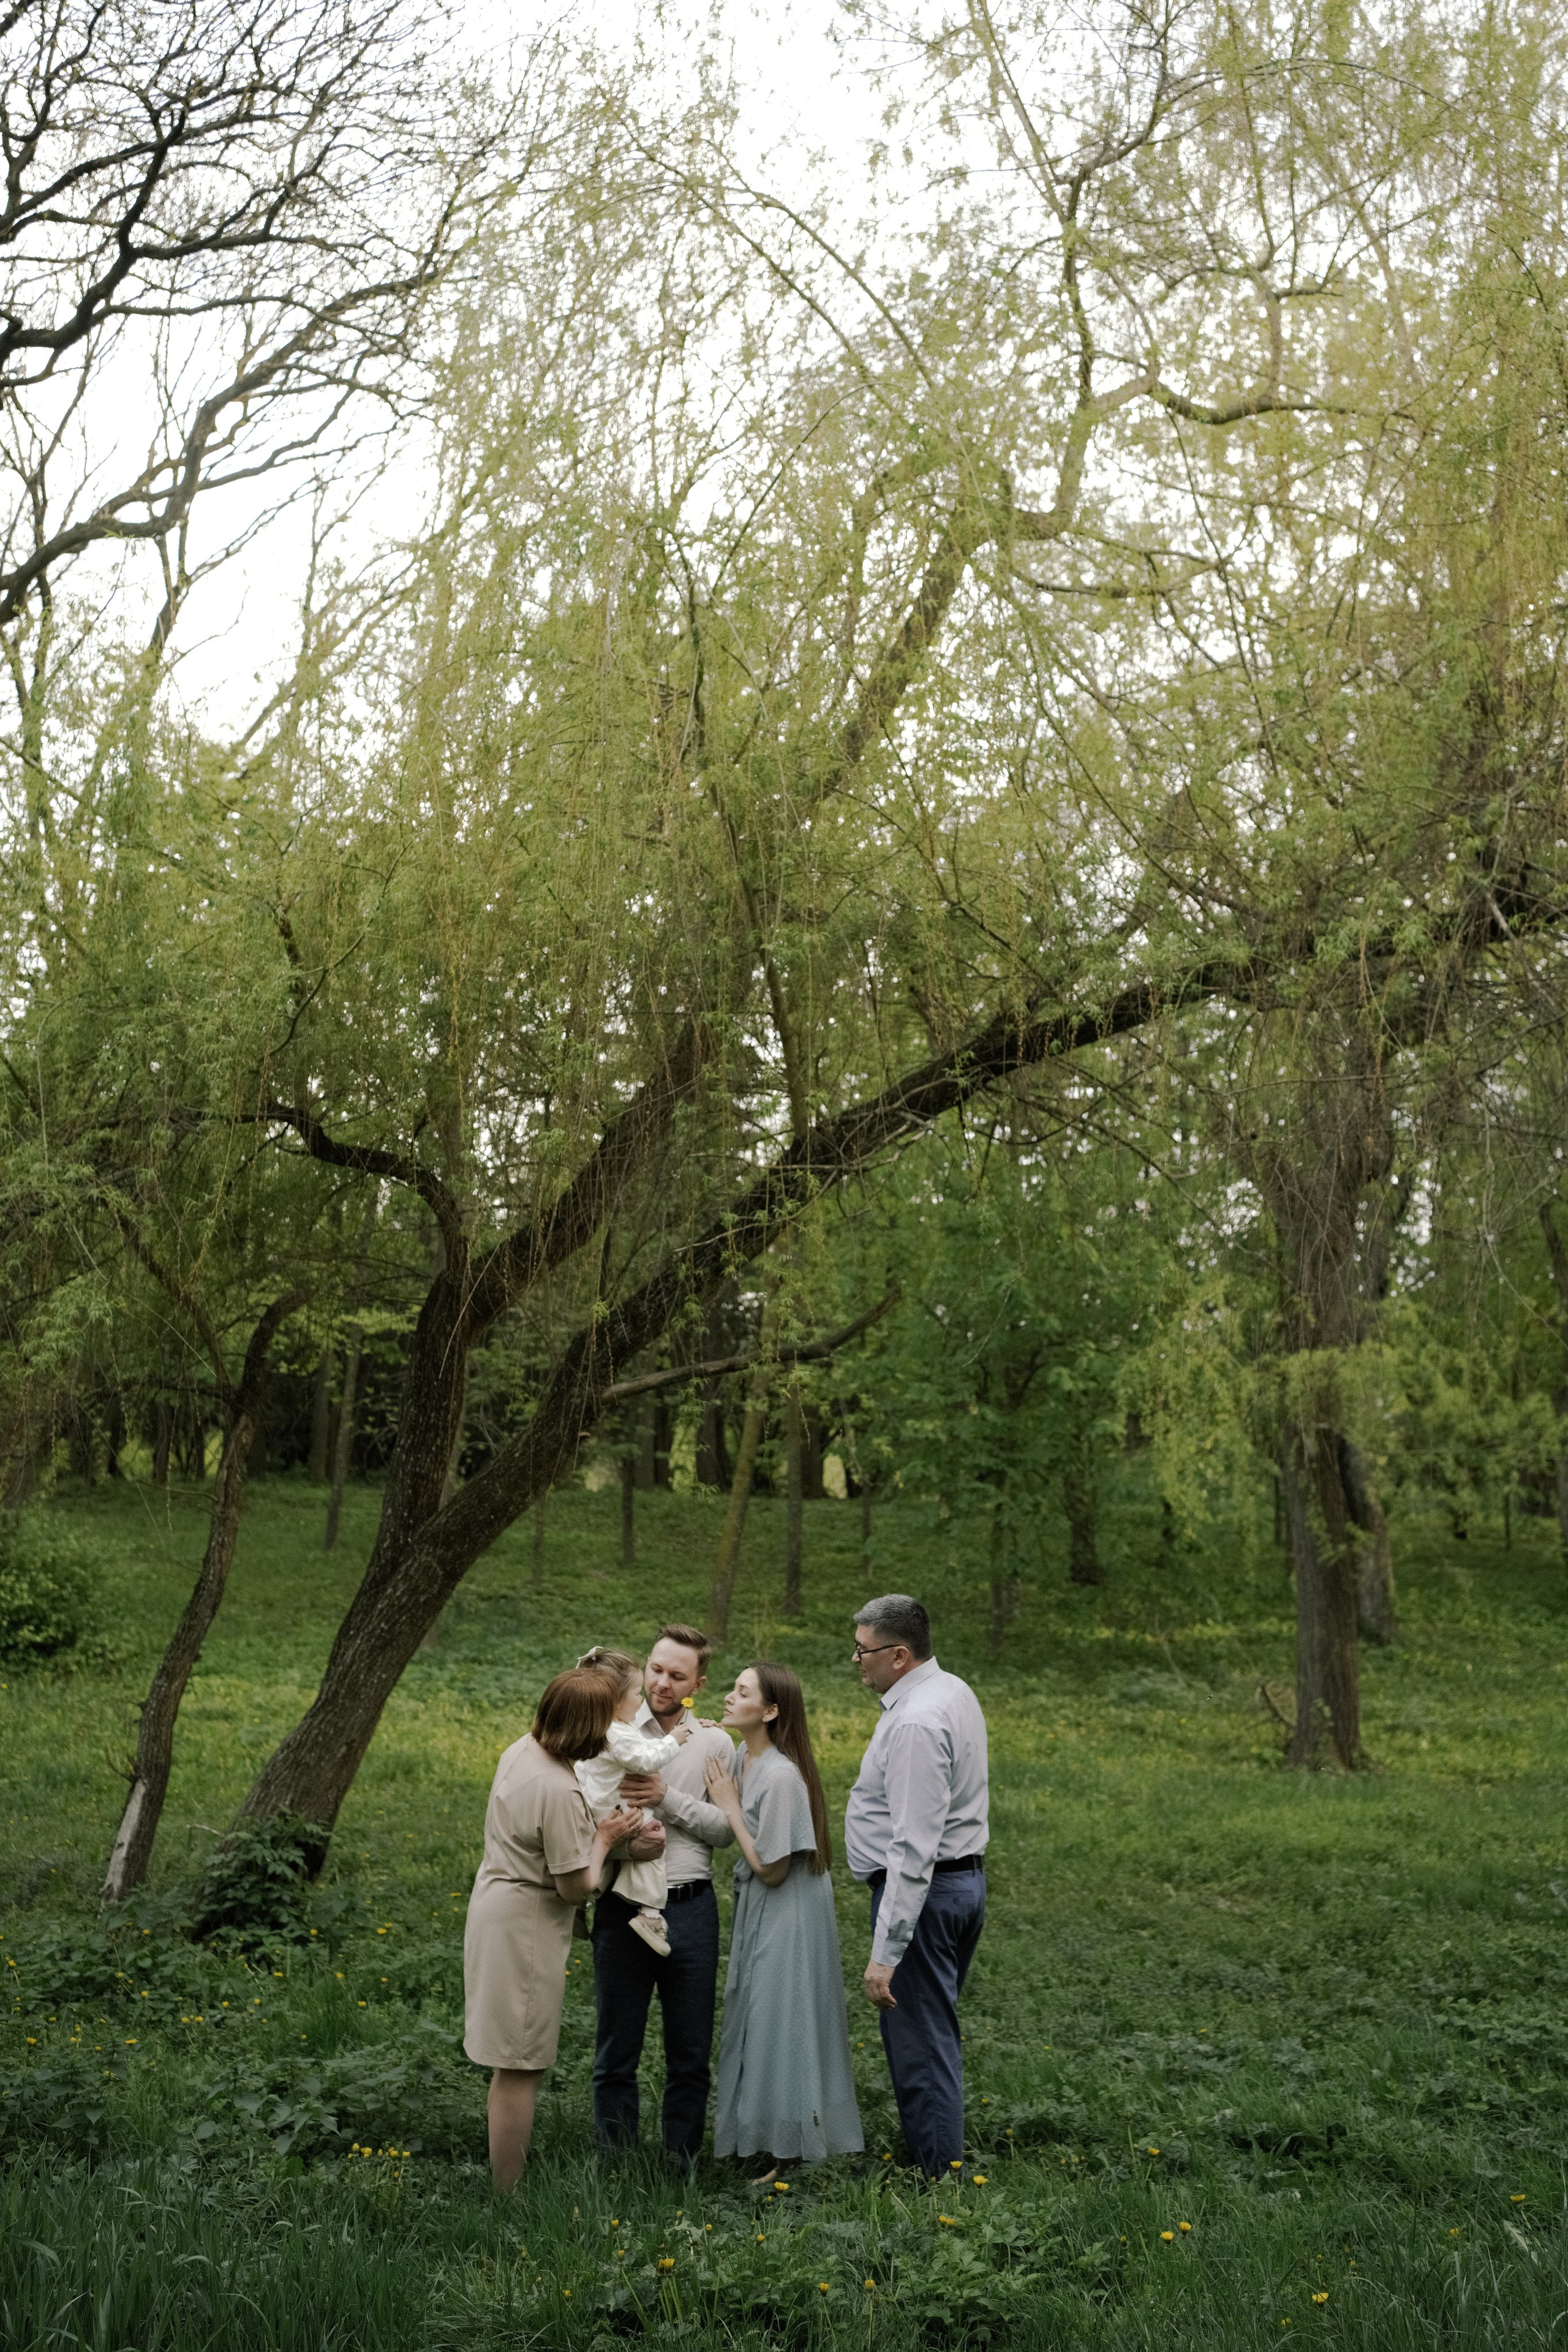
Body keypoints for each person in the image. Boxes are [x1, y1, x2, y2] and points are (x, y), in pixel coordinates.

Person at [463, 1662, 662, 2188]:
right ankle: (508, 2193)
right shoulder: (557, 1787)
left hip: (497, 1906)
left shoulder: (521, 1751)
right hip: (526, 1925)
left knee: (510, 2058)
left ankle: (504, 2181)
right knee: (521, 2063)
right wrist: (605, 1837)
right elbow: (577, 1885)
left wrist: (599, 1836)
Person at [844, 1593, 989, 2176]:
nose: (856, 1660)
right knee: (931, 2036)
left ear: (899, 1655)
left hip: (925, 1897)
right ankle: (938, 2163)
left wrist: (886, 1952)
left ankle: (939, 2190)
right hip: (958, 1883)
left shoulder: (917, 1723)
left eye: (863, 1651)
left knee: (922, 2047)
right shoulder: (950, 1689)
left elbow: (912, 1847)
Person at [704, 1660, 864, 2182]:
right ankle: (773, 2139)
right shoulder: (746, 1758)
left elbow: (771, 1869)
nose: (729, 1696)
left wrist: (729, 1807)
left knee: (784, 2018)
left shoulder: (779, 1776)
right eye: (732, 1688)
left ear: (771, 1711)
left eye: (742, 1692)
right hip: (770, 1905)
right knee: (762, 2016)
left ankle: (792, 2150)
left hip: (787, 1907)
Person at [589, 1623, 736, 2166]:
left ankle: (681, 2164)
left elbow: (726, 1831)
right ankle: (616, 2162)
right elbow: (585, 1816)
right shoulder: (613, 1728)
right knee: (615, 2049)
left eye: (678, 1675)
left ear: (699, 1680)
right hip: (623, 1906)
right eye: (656, 1670)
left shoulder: (715, 1743)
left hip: (693, 1906)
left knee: (690, 2052)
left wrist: (667, 1797)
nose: (663, 1683)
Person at [573, 1646, 682, 1956]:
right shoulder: (617, 1733)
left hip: (595, 1809)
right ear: (614, 1701)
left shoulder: (596, 1726)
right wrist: (675, 1739)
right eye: (636, 1692)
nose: (642, 1698)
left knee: (604, 1859)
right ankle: (650, 1914)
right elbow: (646, 1760)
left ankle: (579, 1900)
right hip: (618, 1810)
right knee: (653, 1843)